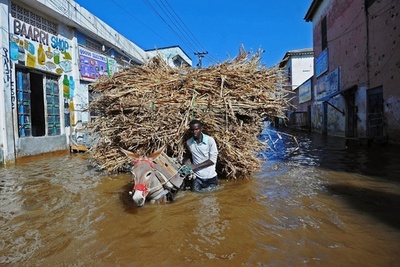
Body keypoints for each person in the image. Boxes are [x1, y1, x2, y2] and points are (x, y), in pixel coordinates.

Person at [183, 119, 219, 192]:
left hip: (210, 177)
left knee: (211, 199)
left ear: (201, 129)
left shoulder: (210, 140)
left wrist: (194, 166)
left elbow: (212, 160)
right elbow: (190, 155)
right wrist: (187, 162)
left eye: (196, 129)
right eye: (192, 130)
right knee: (195, 197)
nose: (194, 132)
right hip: (197, 177)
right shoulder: (189, 142)